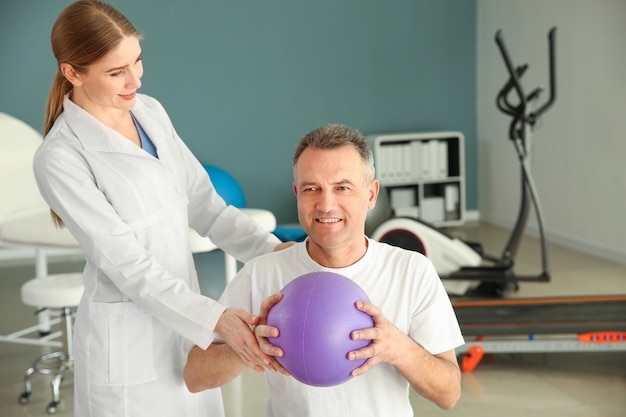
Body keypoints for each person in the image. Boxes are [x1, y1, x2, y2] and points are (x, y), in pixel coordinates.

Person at [33, 1, 290, 416]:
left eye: (137, 61)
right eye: (116, 72)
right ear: (73, 73)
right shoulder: (60, 157)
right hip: (129, 343)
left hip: (185, 323)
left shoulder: (149, 111)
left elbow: (208, 208)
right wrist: (217, 319)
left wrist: (281, 255)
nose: (135, 79)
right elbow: (128, 266)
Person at [184, 124, 464, 416]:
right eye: (311, 188)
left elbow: (449, 393)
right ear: (297, 193)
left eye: (342, 187)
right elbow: (195, 375)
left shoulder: (412, 271)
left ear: (371, 194)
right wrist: (249, 345)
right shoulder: (261, 274)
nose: (326, 204)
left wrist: (399, 348)